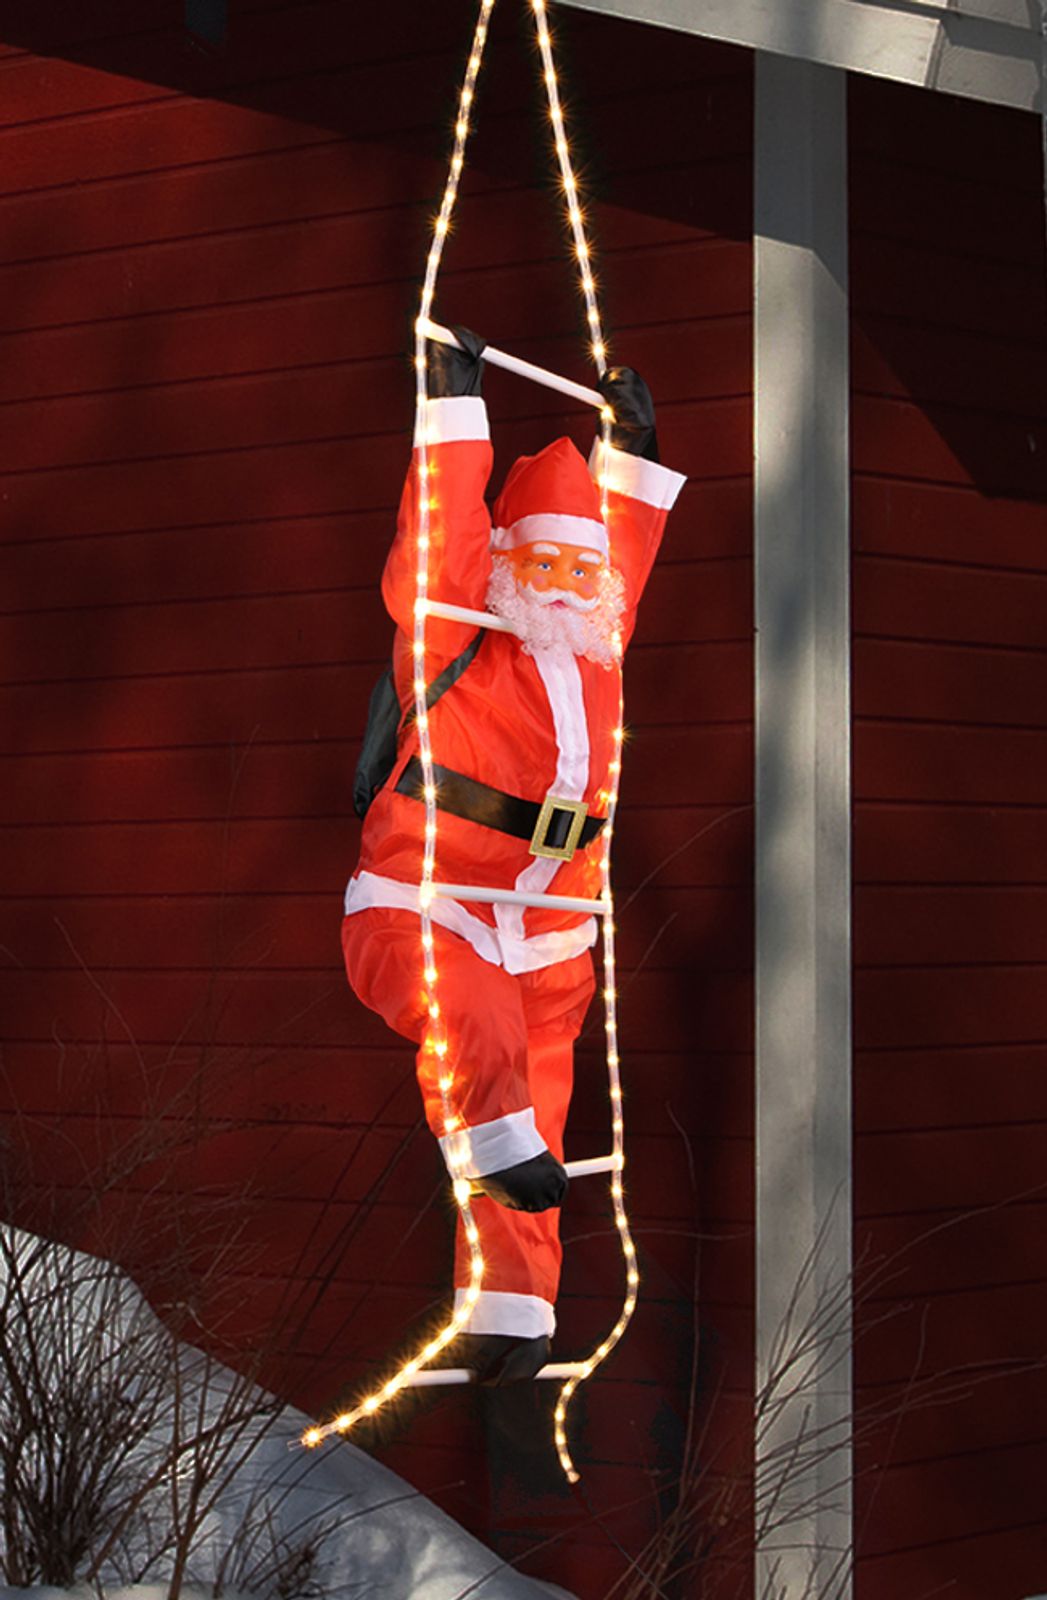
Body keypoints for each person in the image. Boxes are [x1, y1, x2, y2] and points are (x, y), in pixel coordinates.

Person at [341, 328, 685, 1383]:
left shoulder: (599, 639)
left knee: (541, 1103)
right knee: (476, 1031)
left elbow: (620, 555)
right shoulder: (457, 631)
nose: (566, 584)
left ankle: (512, 1310)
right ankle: (491, 1142)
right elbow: (438, 549)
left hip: (554, 922)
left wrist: (630, 452)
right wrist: (455, 412)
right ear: (507, 569)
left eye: (579, 569)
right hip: (427, 894)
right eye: (542, 564)